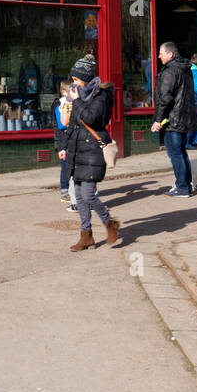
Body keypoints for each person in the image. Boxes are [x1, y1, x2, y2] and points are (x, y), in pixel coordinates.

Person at [65, 54, 120, 250]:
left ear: (85, 78)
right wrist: (64, 147)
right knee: (79, 196)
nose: (73, 83)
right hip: (79, 149)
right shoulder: (80, 95)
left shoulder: (100, 96)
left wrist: (77, 101)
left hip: (94, 150)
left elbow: (89, 118)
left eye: (76, 79)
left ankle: (110, 224)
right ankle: (86, 235)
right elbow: (74, 122)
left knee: (88, 195)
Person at [151, 41, 197, 197]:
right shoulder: (185, 69)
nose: (159, 56)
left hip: (173, 119)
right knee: (181, 152)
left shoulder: (171, 71)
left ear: (170, 54)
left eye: (161, 53)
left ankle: (182, 187)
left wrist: (158, 119)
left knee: (176, 154)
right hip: (184, 117)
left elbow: (165, 97)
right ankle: (185, 184)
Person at [54, 80, 78, 211]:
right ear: (64, 92)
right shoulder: (61, 105)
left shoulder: (69, 103)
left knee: (70, 166)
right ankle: (65, 190)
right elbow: (61, 125)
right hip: (64, 139)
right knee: (66, 166)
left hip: (69, 139)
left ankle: (70, 191)